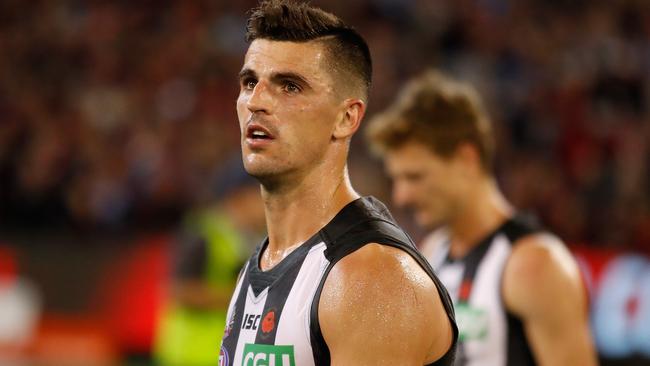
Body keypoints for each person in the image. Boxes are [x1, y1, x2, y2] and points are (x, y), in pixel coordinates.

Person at [220, 1, 458, 365]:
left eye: (290, 86)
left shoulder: (371, 280)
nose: (257, 101)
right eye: (250, 82)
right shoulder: (262, 263)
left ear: (347, 118)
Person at [366, 70, 598, 365]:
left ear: (466, 158)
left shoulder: (535, 264)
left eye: (415, 177)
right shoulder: (432, 252)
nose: (401, 196)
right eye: (397, 180)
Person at [155, 159, 265, 366]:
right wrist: (240, 298)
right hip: (190, 353)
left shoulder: (254, 238)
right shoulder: (202, 233)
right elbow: (178, 290)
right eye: (260, 196)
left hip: (224, 354)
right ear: (238, 198)